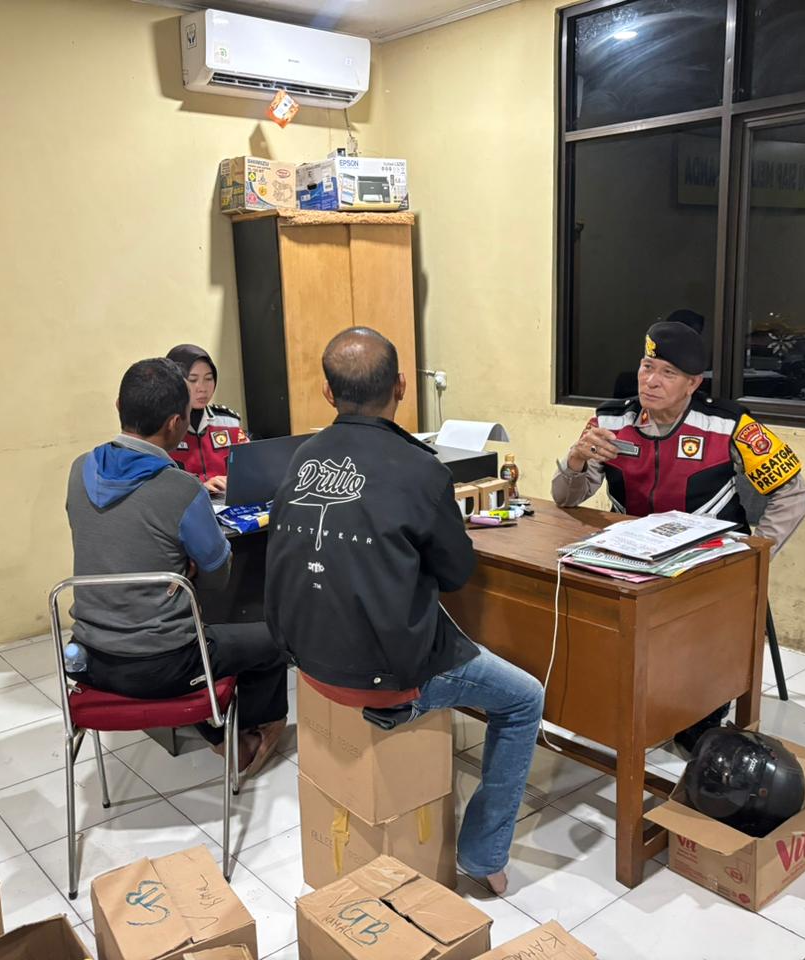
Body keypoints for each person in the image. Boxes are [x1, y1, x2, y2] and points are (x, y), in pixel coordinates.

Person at [264, 327, 544, 896]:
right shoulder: (422, 470)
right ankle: (483, 855)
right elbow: (457, 573)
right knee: (523, 699)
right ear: (400, 387)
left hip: (307, 661)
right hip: (386, 678)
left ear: (327, 393)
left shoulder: (300, 458)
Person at [552, 320, 805, 749]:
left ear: (693, 383)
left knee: (696, 664)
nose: (651, 381)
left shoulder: (731, 424)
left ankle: (698, 708)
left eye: (668, 373)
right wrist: (577, 459)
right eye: (647, 366)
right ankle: (609, 696)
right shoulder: (611, 418)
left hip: (704, 565)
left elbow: (793, 495)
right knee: (571, 599)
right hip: (631, 559)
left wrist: (752, 553)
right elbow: (565, 498)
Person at [65, 357, 287, 773]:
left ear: (119, 406)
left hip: (89, 659)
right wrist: (187, 567)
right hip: (163, 665)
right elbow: (219, 577)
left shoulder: (79, 470)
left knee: (195, 638)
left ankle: (215, 730)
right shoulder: (181, 489)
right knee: (274, 638)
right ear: (175, 424)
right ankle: (244, 738)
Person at [166, 344, 249, 497]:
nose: (202, 388)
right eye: (193, 380)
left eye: (208, 379)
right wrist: (201, 487)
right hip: (187, 506)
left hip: (229, 505)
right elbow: (159, 486)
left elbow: (250, 467)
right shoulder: (163, 428)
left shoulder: (229, 421)